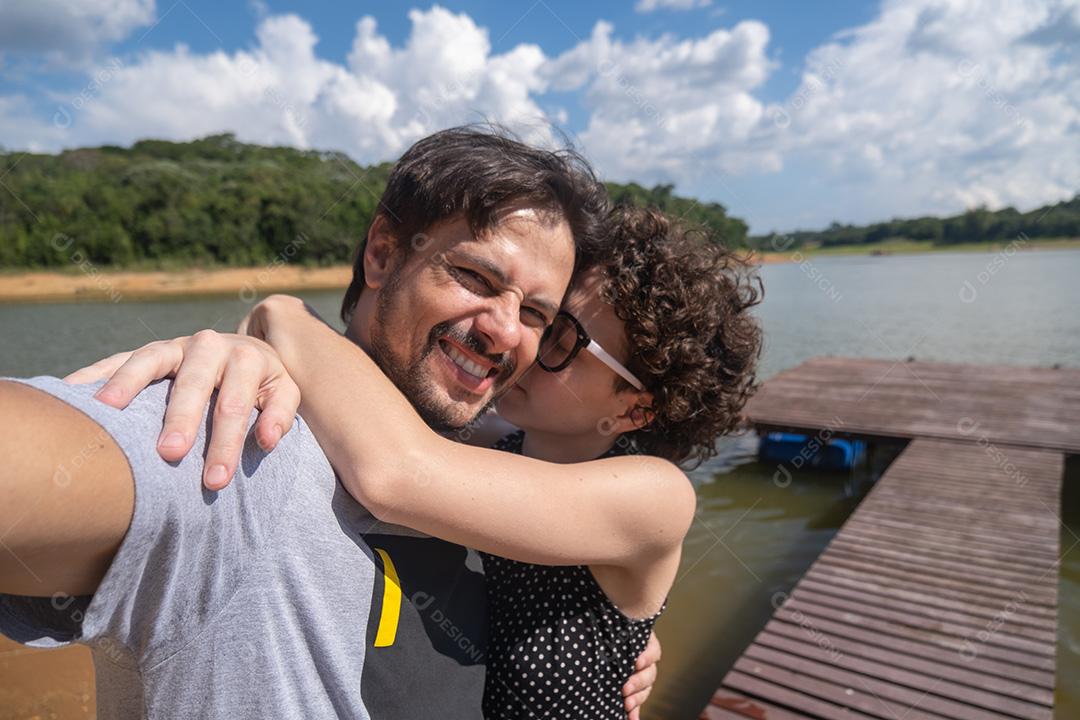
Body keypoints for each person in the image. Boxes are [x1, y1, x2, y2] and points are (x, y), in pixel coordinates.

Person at [0, 126, 661, 718]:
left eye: (538, 317)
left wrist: (617, 635)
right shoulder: (240, 439)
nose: (503, 331)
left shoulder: (490, 463)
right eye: (475, 277)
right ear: (381, 254)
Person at [72, 205, 764, 718]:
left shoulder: (657, 496)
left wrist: (279, 315)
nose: (519, 341)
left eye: (560, 336)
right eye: (538, 318)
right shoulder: (494, 441)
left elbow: (395, 470)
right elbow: (374, 401)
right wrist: (239, 357)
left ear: (635, 410)